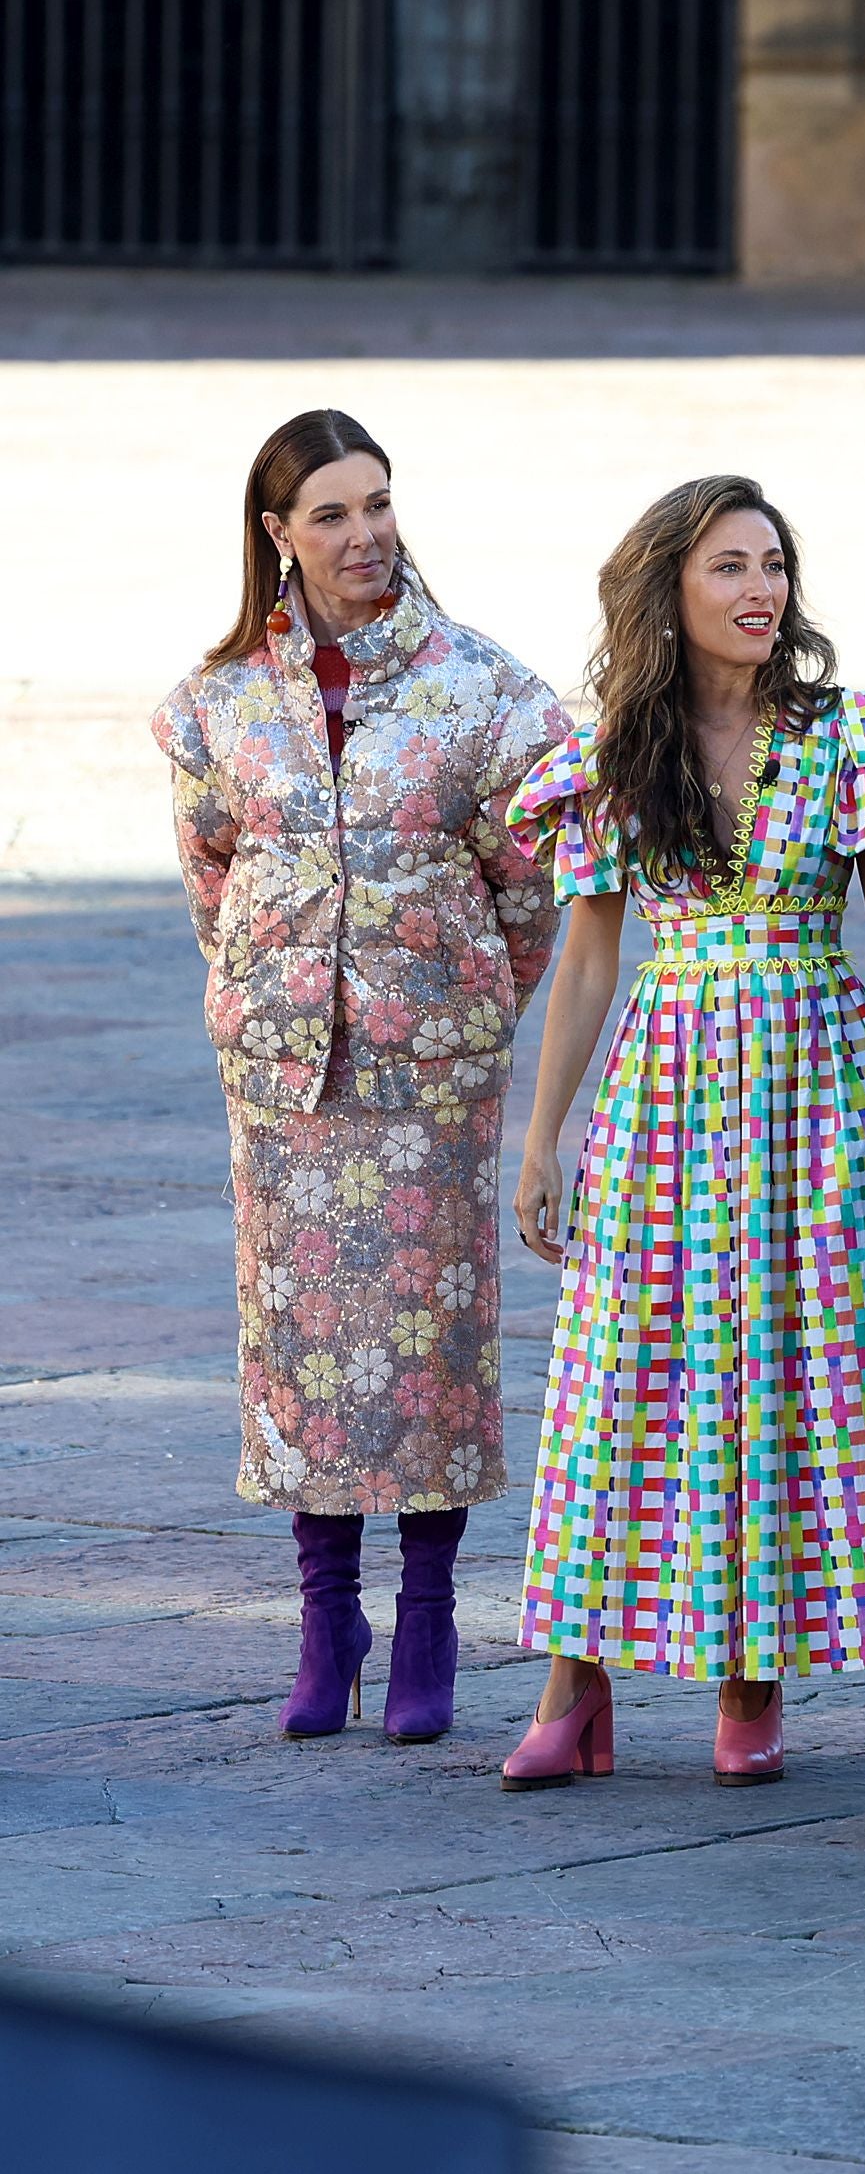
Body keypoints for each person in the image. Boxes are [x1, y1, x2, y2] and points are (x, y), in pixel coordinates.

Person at [500, 474, 865, 1792]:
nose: (761, 589)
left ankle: (749, 1682)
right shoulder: (611, 757)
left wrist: (855, 1088)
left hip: (813, 1097)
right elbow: (587, 963)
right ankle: (571, 1684)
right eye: (728, 567)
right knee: (617, 1384)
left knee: (773, 1380)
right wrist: (545, 1141)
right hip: (662, 1094)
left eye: (772, 565)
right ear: (669, 588)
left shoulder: (845, 741)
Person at [152, 409, 569, 1747]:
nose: (365, 535)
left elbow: (530, 885)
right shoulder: (222, 700)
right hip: (281, 1068)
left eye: (378, 504)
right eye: (331, 513)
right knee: (301, 1357)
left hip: (430, 1067)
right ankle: (327, 1617)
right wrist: (268, 980)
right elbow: (211, 863)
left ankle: (431, 1613)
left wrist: (464, 996)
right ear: (278, 535)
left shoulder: (484, 692)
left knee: (426, 1350)